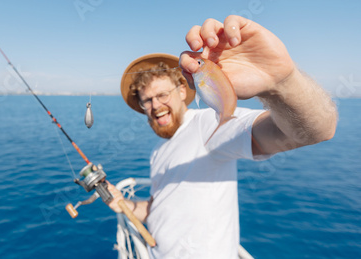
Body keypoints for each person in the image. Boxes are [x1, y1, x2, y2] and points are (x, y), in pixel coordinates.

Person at [107, 15, 338, 258]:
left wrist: (282, 83)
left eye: (162, 95)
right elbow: (159, 206)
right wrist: (126, 204)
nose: (156, 105)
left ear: (182, 90)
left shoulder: (206, 125)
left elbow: (312, 132)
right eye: (147, 100)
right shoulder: (158, 151)